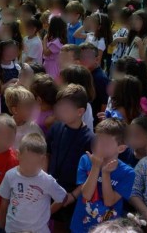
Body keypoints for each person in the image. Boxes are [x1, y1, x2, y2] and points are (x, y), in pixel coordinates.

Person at [70, 118, 135, 232]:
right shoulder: (86, 160)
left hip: (107, 228)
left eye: (105, 143)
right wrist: (96, 167)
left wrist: (105, 173)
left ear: (121, 148)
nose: (98, 145)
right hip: (81, 225)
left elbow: (109, 201)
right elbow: (86, 195)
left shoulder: (128, 173)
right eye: (97, 140)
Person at [0, 133, 69, 233]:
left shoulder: (46, 180)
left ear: (43, 160)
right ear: (18, 155)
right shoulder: (10, 175)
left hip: (37, 230)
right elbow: (4, 200)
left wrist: (48, 211)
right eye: (27, 162)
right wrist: (2, 223)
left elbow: (63, 197)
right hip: (12, 228)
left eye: (35, 164)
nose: (30, 168)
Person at [46, 84, 94, 225]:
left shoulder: (90, 139)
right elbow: (47, 154)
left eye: (65, 109)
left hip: (71, 198)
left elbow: (91, 173)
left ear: (80, 112)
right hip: (50, 189)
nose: (60, 111)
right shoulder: (56, 127)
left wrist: (73, 195)